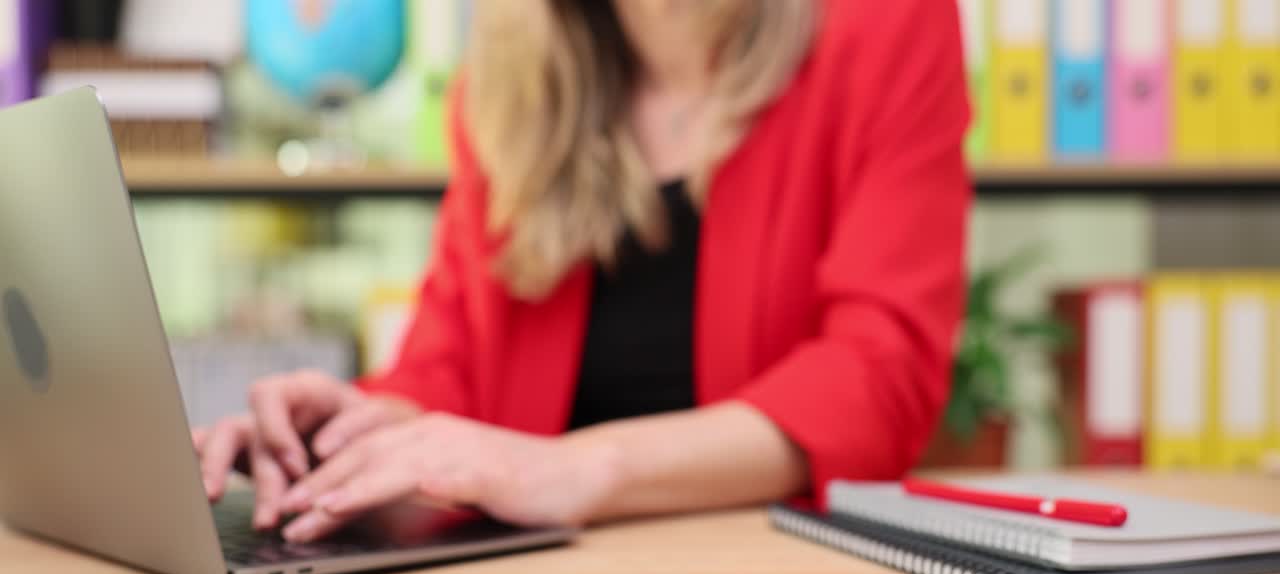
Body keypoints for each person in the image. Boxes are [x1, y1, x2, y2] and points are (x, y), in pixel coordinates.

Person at [194, 0, 970, 544]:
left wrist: (576, 469)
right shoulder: (508, 81)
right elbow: (449, 365)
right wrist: (352, 431)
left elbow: (881, 378)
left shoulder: (887, 23)